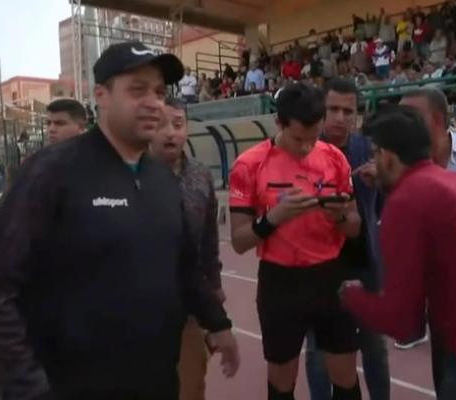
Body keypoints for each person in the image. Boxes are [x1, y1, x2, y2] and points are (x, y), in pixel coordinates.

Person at [0, 41, 239, 400]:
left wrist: (218, 322)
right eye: (137, 90)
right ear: (101, 96)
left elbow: (183, 267)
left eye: (159, 92)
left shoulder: (162, 179)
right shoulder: (52, 172)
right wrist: (28, 389)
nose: (154, 102)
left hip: (158, 383)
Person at [340, 105, 456, 400]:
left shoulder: (407, 202)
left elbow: (404, 323)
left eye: (374, 155)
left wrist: (350, 295)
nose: (372, 163)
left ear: (387, 156)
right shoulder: (447, 180)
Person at [229, 83, 362, 400]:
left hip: (331, 277)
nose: (306, 147)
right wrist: (274, 217)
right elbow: (239, 241)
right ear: (279, 123)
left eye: (313, 138)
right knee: (281, 381)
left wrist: (339, 217)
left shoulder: (334, 158)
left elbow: (354, 228)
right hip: (280, 283)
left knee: (346, 377)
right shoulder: (249, 164)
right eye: (298, 139)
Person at [305, 78, 390, 400]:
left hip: (364, 265)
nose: (340, 118)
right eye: (333, 109)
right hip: (318, 267)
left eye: (348, 111)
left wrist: (382, 181)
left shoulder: (368, 149)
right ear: (321, 110)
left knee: (374, 347)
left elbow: (383, 207)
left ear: (358, 113)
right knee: (318, 351)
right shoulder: (304, 149)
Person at [150, 97, 226, 400]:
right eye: (161, 124)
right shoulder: (129, 175)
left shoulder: (201, 175)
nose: (170, 132)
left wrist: (215, 290)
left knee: (191, 385)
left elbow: (209, 239)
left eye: (178, 124)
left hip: (190, 301)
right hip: (141, 304)